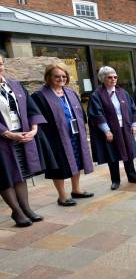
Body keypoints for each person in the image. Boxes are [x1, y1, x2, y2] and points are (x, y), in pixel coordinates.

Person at [0, 56, 53, 226]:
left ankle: (26, 208)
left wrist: (34, 128)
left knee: (20, 173)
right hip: (2, 139)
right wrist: (6, 133)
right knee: (5, 175)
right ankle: (17, 212)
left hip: (21, 134)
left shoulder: (14, 85)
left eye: (0, 64)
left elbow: (31, 108)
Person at [33, 63, 94, 206]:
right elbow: (37, 118)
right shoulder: (39, 96)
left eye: (63, 76)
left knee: (77, 161)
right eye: (57, 76)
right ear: (48, 77)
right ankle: (62, 196)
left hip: (74, 134)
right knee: (58, 166)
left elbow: (80, 113)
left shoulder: (70, 92)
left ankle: (76, 190)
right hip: (55, 138)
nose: (61, 78)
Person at [88, 66, 136, 190]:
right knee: (112, 155)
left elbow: (133, 109)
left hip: (125, 128)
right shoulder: (97, 95)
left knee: (128, 153)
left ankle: (132, 176)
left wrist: (134, 125)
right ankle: (115, 180)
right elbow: (96, 114)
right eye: (109, 77)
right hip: (110, 130)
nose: (113, 79)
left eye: (115, 77)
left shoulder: (122, 92)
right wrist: (106, 130)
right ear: (103, 79)